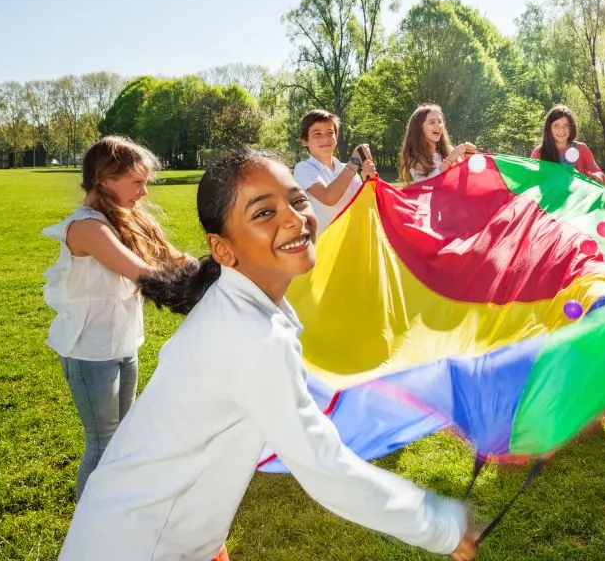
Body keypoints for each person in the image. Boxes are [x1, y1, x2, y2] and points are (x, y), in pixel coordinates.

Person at [59, 150, 478, 561]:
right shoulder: (250, 336)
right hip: (140, 544)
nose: (295, 218)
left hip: (154, 532)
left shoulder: (240, 306)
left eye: (296, 201)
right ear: (222, 250)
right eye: (263, 213)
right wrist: (442, 526)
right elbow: (326, 470)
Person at [41, 136, 188, 499]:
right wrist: (198, 292)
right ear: (105, 179)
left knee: (123, 436)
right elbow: (144, 274)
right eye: (138, 182)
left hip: (123, 343)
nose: (144, 193)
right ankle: (88, 531)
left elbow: (174, 261)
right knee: (103, 442)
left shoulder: (126, 219)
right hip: (90, 351)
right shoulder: (88, 227)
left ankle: (116, 511)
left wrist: (221, 268)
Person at [293, 108, 377, 234]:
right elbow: (329, 198)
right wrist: (354, 162)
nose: (325, 138)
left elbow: (366, 207)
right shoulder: (303, 168)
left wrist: (368, 180)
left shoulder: (349, 172)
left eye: (330, 133)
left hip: (351, 243)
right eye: (317, 134)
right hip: (323, 248)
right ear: (304, 141)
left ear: (336, 137)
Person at [399, 103, 476, 184]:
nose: (439, 126)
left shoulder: (449, 149)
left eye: (440, 121)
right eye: (432, 122)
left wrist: (467, 161)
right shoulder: (414, 155)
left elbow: (465, 180)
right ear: (419, 128)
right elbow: (428, 183)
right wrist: (450, 159)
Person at [530, 104, 605, 185]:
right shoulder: (539, 152)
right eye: (556, 125)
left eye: (566, 125)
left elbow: (599, 173)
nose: (561, 129)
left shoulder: (581, 148)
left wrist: (597, 176)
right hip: (551, 197)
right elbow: (529, 180)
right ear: (549, 128)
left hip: (578, 197)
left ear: (571, 127)